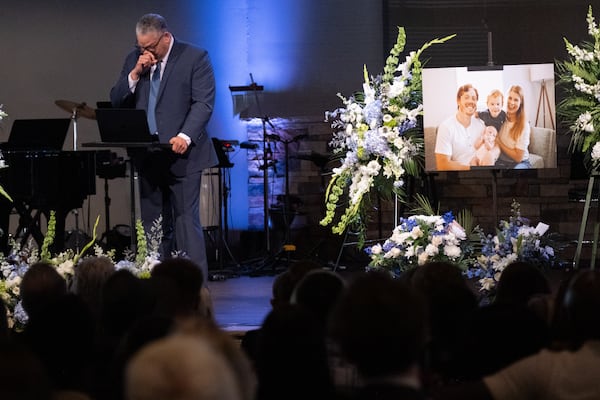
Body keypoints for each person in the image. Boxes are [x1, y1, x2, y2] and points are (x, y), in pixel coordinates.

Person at [110, 13, 218, 280]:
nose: (146, 52)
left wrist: (185, 135)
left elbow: (203, 103)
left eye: (150, 47)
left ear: (166, 37)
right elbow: (115, 100)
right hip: (148, 154)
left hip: (183, 153)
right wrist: (135, 73)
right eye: (141, 47)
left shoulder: (195, 57)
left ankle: (196, 287)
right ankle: (156, 284)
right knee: (153, 225)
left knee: (184, 221)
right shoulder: (134, 61)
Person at [434, 84, 485, 171]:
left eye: (474, 98)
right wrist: (473, 169)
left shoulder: (481, 124)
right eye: (466, 97)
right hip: (460, 177)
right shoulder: (446, 127)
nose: (471, 101)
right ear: (458, 101)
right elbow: (442, 165)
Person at [494, 85, 532, 169]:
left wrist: (499, 142)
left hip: (520, 163)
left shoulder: (524, 125)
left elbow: (518, 157)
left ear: (520, 103)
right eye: (510, 98)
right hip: (501, 161)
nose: (512, 102)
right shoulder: (501, 117)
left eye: (516, 100)